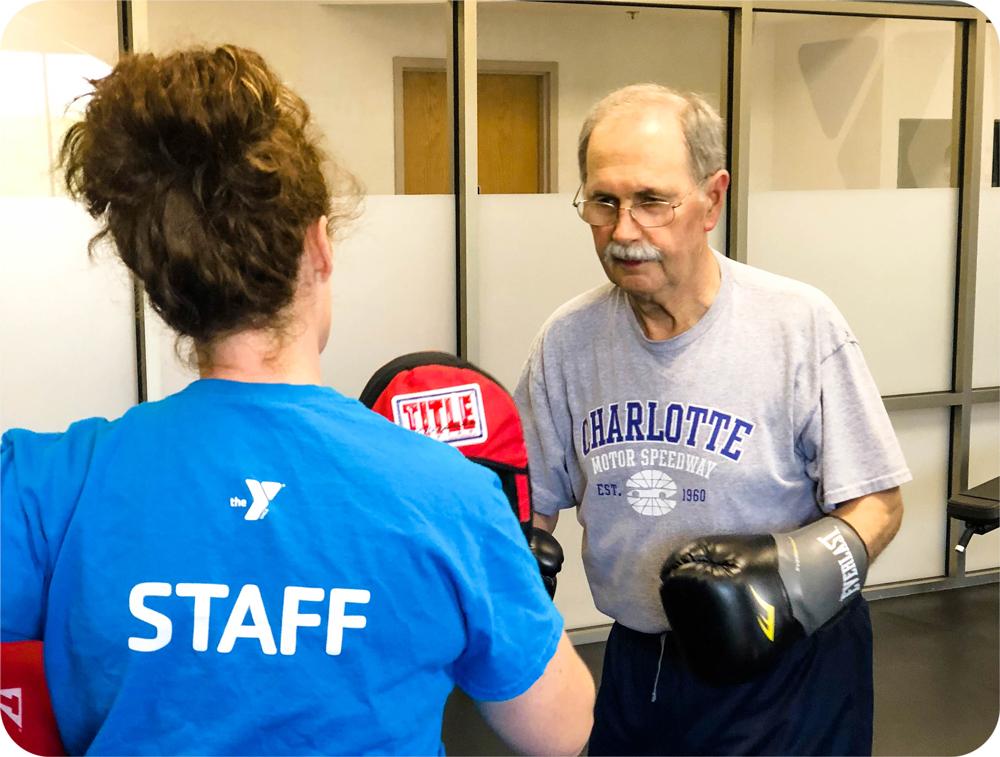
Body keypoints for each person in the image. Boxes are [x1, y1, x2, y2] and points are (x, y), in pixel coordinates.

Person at [1, 45, 594, 756]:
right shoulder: (450, 497)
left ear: (159, 282)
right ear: (318, 246)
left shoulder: (43, 483)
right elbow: (562, 731)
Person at [514, 83, 910, 756]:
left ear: (712, 200)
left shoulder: (797, 325)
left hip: (789, 672)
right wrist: (510, 550)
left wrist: (789, 579)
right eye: (603, 201)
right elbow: (533, 503)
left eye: (651, 201)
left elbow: (880, 502)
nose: (625, 230)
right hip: (640, 663)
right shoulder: (568, 341)